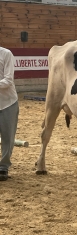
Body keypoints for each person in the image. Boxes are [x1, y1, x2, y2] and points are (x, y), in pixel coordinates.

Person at [0, 46, 19, 181]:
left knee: (7, 137)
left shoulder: (6, 54)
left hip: (8, 102)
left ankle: (3, 167)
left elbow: (8, 80)